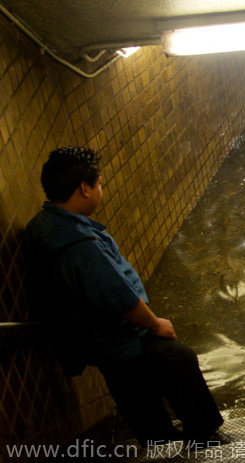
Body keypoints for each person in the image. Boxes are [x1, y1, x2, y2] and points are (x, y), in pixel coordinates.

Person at [22, 147, 225, 447]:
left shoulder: (42, 225)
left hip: (93, 340)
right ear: (84, 188)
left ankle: (159, 442)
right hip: (119, 337)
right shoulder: (81, 245)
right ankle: (204, 437)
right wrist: (155, 324)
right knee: (178, 359)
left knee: (133, 393)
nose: (101, 190)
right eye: (99, 183)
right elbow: (120, 298)